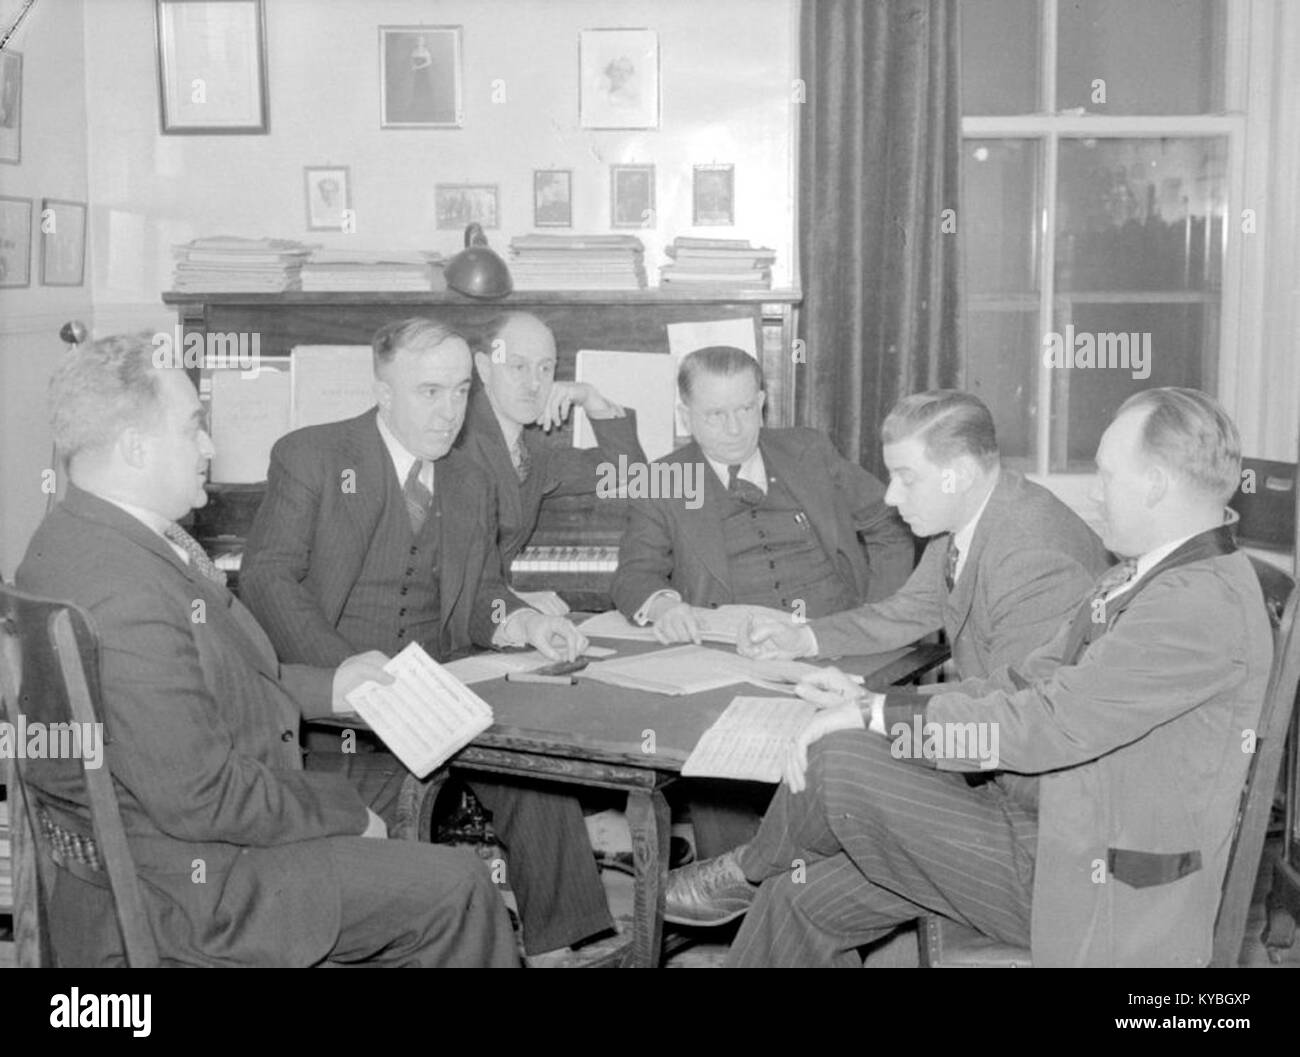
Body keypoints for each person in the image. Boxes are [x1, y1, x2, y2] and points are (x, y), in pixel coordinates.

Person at [665, 387, 1273, 967]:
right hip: (1049, 825)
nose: (1095, 495)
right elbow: (1020, 681)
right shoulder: (1150, 576)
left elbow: (1043, 725)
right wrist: (873, 701)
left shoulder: (1194, 606)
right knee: (799, 895)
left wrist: (876, 719)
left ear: (1157, 486)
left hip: (1091, 875)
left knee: (839, 759)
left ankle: (747, 868)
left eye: (1107, 477)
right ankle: (760, 874)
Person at [16, 334, 518, 967]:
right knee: (462, 885)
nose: (208, 446)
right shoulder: (128, 594)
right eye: (193, 428)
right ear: (135, 448)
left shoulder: (70, 539)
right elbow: (204, 797)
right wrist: (346, 810)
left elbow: (210, 678)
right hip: (198, 893)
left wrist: (331, 686)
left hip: (149, 864)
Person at [239, 318, 614, 958]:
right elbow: (267, 578)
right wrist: (348, 674)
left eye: (462, 391)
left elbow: (481, 591)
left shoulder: (469, 478)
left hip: (440, 685)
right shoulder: (313, 456)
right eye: (430, 393)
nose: (449, 413)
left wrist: (523, 621)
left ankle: (563, 944)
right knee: (386, 858)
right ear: (385, 392)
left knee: (537, 775)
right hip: (339, 710)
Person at [610, 344, 915, 857]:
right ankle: (738, 898)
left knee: (838, 768)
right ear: (684, 416)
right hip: (739, 661)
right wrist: (664, 604)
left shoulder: (809, 451)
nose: (733, 428)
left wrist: (877, 622)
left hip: (838, 642)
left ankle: (819, 890)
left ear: (764, 401)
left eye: (745, 409)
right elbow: (633, 575)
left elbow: (891, 526)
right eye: (715, 414)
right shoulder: (663, 477)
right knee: (712, 751)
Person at [737, 390, 1109, 681]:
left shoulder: (1033, 559)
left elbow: (1013, 713)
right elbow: (909, 612)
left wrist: (875, 712)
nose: (890, 496)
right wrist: (803, 638)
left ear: (960, 473)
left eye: (907, 478)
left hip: (1030, 769)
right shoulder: (964, 518)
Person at [456, 311, 645, 614]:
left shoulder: (531, 449)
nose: (534, 384)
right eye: (517, 366)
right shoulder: (454, 442)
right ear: (484, 367)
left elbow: (629, 471)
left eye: (545, 368)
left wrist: (589, 397)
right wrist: (512, 599)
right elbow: (441, 567)